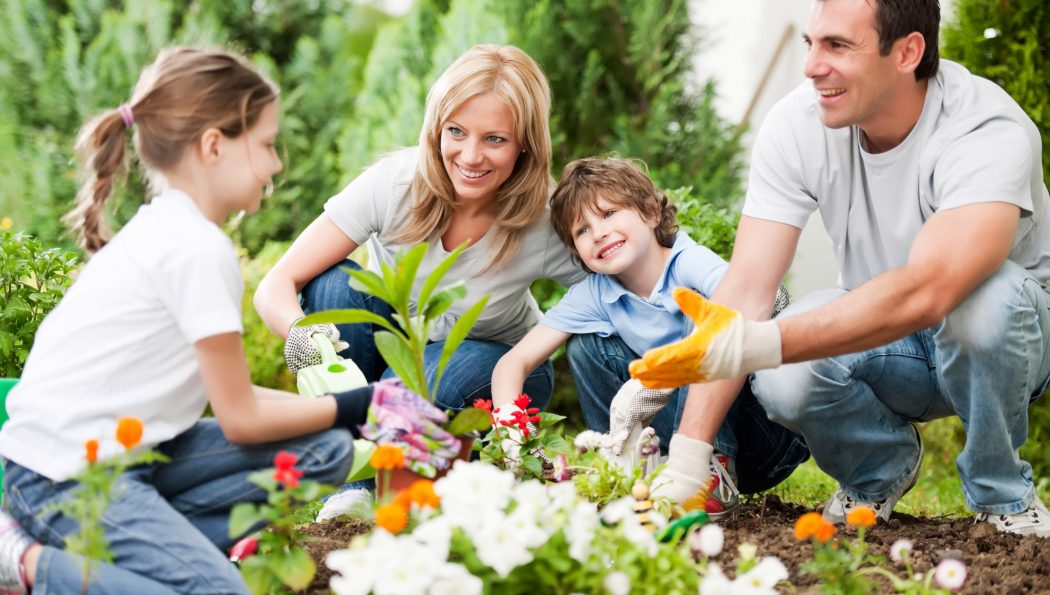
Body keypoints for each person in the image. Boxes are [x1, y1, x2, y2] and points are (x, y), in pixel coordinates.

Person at [630, 0, 1050, 537]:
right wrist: (688, 456)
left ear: (907, 51)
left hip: (1004, 338)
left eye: (837, 46)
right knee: (784, 372)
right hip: (886, 343)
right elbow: (746, 291)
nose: (810, 65)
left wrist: (759, 342)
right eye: (810, 43)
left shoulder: (986, 128)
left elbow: (933, 289)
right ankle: (877, 472)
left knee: (986, 304)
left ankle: (1003, 496)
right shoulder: (799, 123)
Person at [0, 47, 394, 594]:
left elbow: (238, 398)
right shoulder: (195, 249)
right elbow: (241, 419)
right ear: (214, 145)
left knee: (324, 449)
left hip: (131, 456)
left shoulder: (171, 229)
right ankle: (25, 560)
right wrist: (367, 403)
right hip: (58, 477)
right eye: (264, 145)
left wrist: (353, 412)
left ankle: (149, 559)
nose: (277, 163)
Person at [254, 45, 584, 519]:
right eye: (456, 132)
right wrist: (304, 339)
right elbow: (276, 283)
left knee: (419, 381)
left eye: (495, 139)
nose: (470, 156)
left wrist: (537, 346)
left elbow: (605, 290)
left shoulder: (543, 218)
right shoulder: (395, 185)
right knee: (331, 286)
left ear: (526, 144)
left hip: (492, 364)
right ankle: (351, 491)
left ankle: (383, 479)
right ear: (436, 129)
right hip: (400, 353)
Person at [491, 157, 808, 516]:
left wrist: (657, 382)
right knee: (584, 346)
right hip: (678, 438)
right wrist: (512, 431)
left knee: (707, 312)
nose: (598, 233)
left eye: (609, 214)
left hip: (762, 436)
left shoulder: (688, 261)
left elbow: (751, 305)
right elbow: (513, 362)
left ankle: (710, 470)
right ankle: (623, 468)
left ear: (650, 213)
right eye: (581, 230)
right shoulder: (596, 293)